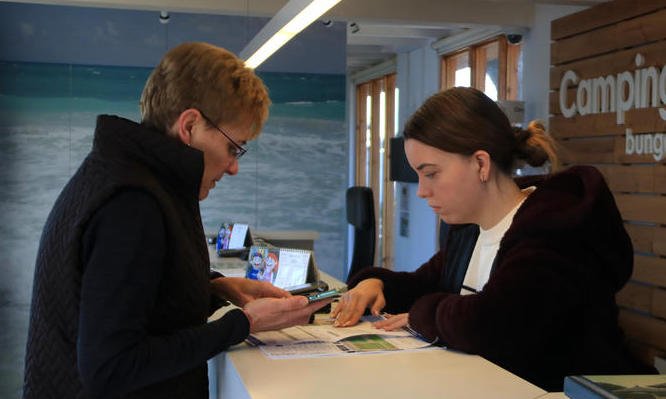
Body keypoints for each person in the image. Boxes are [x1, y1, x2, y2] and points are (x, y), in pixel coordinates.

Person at [23, 42, 330, 399]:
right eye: (233, 147)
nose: (234, 167)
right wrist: (244, 324)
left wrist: (216, 290)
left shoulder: (124, 175)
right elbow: (111, 368)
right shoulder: (132, 203)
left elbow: (140, 298)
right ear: (190, 126)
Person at [331, 87, 653, 391]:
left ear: (481, 164)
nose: (422, 191)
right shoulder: (470, 228)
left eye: (431, 174)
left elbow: (490, 325)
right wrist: (377, 284)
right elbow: (427, 285)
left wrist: (422, 314)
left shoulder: (554, 229)